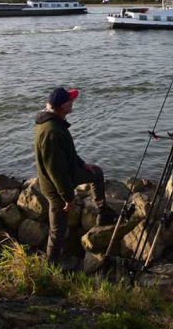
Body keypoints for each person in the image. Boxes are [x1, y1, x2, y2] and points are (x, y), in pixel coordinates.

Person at [33, 86, 117, 264]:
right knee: (58, 231)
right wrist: (68, 198)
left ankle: (103, 212)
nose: (73, 102)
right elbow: (56, 171)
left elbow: (67, 152)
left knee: (96, 173)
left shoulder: (56, 123)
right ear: (62, 106)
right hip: (56, 189)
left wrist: (82, 164)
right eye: (70, 101)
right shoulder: (52, 131)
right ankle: (52, 266)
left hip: (69, 174)